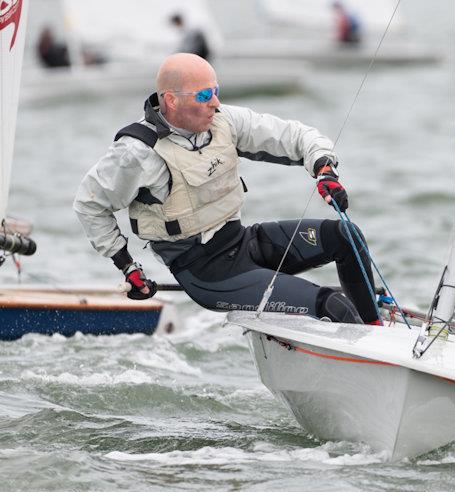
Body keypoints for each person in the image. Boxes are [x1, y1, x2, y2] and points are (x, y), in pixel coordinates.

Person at [74, 53, 381, 326]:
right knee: (332, 306)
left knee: (347, 237)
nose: (215, 102)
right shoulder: (137, 152)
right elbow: (90, 204)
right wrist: (127, 265)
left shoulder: (224, 121)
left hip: (242, 241)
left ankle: (375, 330)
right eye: (205, 94)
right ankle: (370, 360)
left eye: (216, 91)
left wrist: (324, 168)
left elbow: (294, 135)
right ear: (171, 100)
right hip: (205, 272)